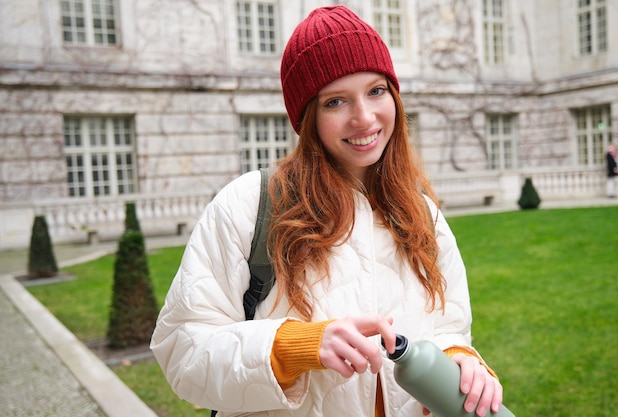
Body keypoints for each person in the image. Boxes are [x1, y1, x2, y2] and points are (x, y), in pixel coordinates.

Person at [151, 6, 504, 417]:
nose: (364, 118)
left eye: (376, 91)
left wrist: (462, 360)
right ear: (308, 117)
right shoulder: (251, 204)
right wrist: (297, 347)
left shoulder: (423, 214)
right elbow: (182, 351)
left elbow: (447, 330)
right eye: (336, 101)